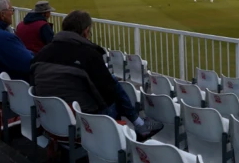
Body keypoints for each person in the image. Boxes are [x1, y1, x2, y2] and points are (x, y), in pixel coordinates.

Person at [30, 10, 163, 140]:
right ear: (86, 31)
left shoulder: (42, 53)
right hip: (84, 122)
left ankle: (138, 123)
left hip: (49, 119)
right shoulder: (88, 54)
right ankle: (139, 124)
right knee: (113, 88)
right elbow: (108, 93)